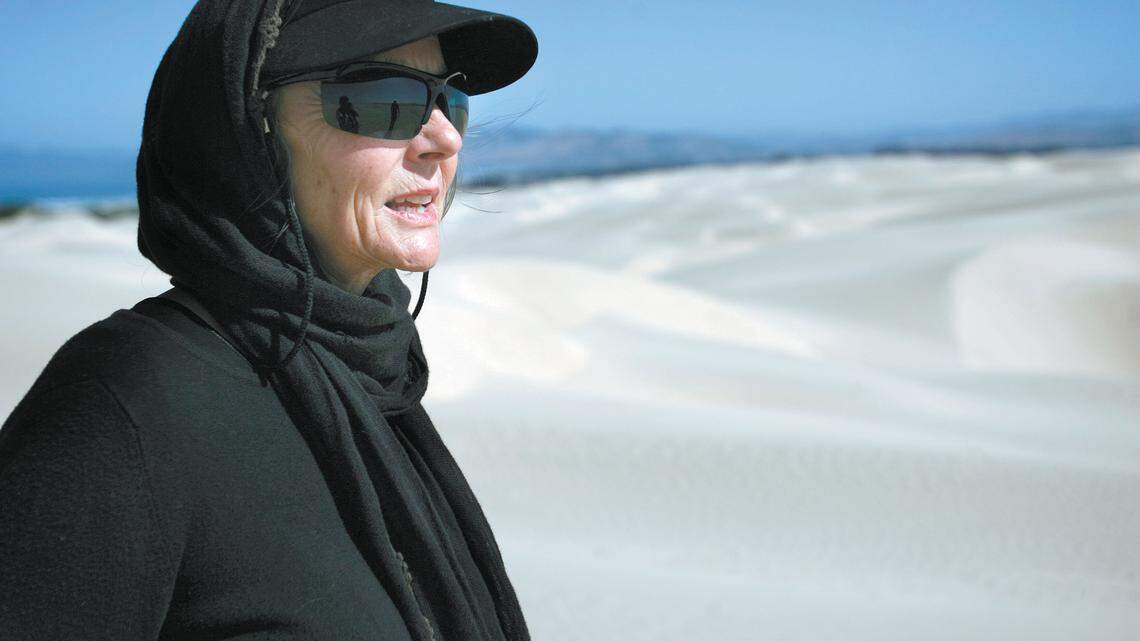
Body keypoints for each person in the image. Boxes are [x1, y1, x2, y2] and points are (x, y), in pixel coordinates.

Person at [0, 1, 538, 639]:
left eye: (450, 101)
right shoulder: (129, 401)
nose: (443, 138)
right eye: (384, 99)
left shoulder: (377, 380)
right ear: (248, 132)